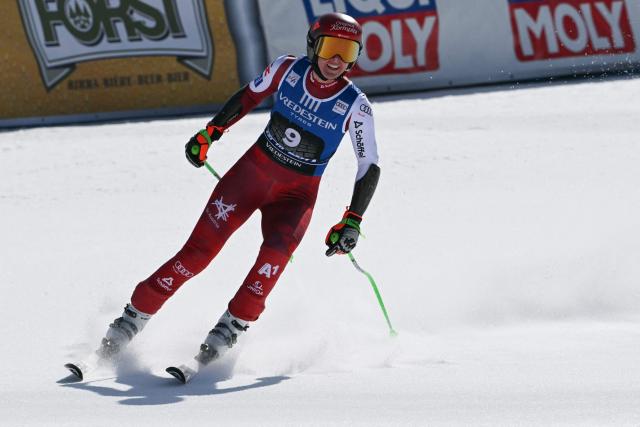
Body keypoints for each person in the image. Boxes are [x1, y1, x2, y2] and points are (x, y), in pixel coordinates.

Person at [98, 12, 380, 367]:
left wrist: (353, 220)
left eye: (348, 51)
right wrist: (211, 132)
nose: (338, 61)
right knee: (196, 254)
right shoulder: (286, 69)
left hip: (295, 198)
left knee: (273, 258)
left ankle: (231, 327)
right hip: (248, 179)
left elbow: (369, 164)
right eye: (331, 48)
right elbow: (249, 96)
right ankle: (130, 319)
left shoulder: (356, 105)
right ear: (313, 45)